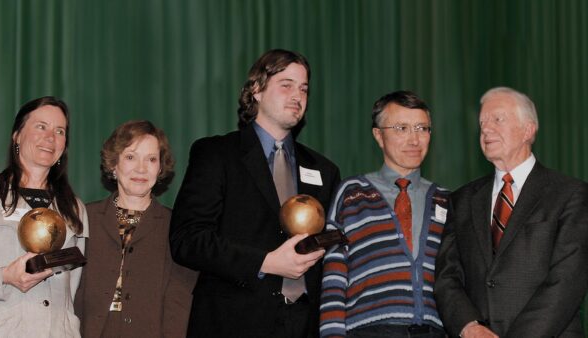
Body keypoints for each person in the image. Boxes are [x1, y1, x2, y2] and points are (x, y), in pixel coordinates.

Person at [169, 49, 341, 338]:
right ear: (256, 90)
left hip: (306, 324)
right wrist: (265, 262)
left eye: (303, 88)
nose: (297, 96)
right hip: (234, 321)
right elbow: (188, 240)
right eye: (286, 85)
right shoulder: (216, 154)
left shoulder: (324, 169)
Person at [435, 87, 588, 337]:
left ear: (528, 130)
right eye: (482, 122)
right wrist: (468, 326)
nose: (485, 129)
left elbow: (567, 281)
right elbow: (447, 276)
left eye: (498, 119)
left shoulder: (571, 195)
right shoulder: (461, 200)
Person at [319, 91, 449, 338]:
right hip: (368, 330)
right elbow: (334, 271)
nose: (414, 139)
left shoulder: (447, 199)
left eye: (422, 128)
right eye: (402, 128)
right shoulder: (351, 193)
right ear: (379, 135)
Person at [74, 120, 197, 337]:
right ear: (114, 164)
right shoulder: (84, 218)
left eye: (151, 159)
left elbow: (180, 301)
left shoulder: (177, 225)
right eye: (131, 157)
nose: (141, 168)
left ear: (160, 168)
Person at [0, 96, 88, 337]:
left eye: (60, 131)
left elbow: (75, 287)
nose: (50, 137)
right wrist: (4, 277)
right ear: (17, 135)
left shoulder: (75, 209)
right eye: (41, 126)